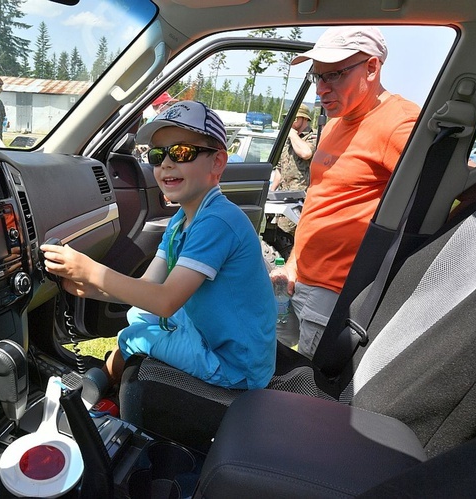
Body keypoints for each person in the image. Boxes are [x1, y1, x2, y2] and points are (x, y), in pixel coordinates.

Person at [42, 100, 276, 390]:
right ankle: (110, 379)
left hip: (235, 364)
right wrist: (91, 288)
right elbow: (148, 286)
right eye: (157, 154)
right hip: (213, 334)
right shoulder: (182, 220)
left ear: (217, 161)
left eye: (181, 152)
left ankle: (99, 393)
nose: (166, 163)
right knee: (139, 314)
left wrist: (91, 271)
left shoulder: (218, 221)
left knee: (132, 337)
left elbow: (165, 301)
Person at [271, 27, 421, 357]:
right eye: (317, 77)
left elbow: (459, 186)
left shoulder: (400, 123)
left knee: (309, 390)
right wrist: (293, 264)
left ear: (372, 67)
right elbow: (321, 198)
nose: (322, 89)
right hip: (298, 278)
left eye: (334, 75)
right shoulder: (337, 121)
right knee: (271, 366)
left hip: (335, 293)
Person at [270, 103, 317, 234]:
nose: (290, 121)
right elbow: (280, 168)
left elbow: (306, 153)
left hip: (301, 199)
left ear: (304, 119)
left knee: (287, 233)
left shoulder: (313, 137)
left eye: (294, 118)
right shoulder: (289, 140)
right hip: (283, 197)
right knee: (277, 233)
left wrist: (292, 134)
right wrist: (271, 192)